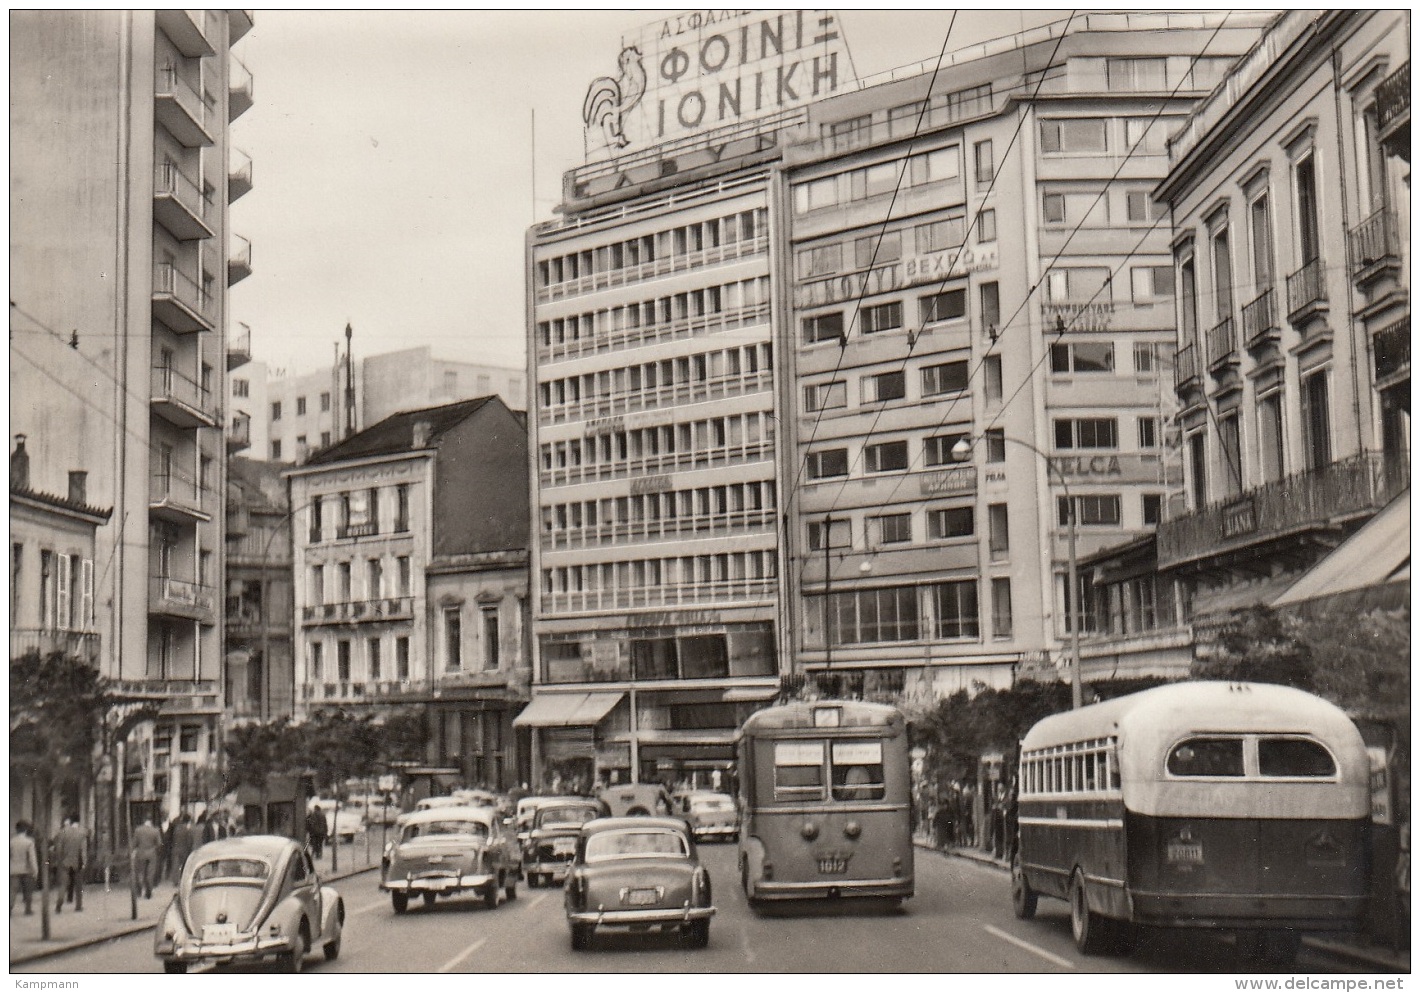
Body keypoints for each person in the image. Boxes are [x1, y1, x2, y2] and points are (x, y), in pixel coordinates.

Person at [53, 814, 87, 913]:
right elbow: (83, 849)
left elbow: (58, 849)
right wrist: (84, 862)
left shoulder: (62, 832)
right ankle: (78, 906)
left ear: (70, 821)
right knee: (79, 885)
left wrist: (59, 860)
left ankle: (59, 905)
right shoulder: (82, 833)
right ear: (79, 821)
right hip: (78, 862)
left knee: (63, 884)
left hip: (64, 861)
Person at [10, 821, 38, 916]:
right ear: (26, 830)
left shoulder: (11, 841)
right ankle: (28, 909)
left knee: (12, 890)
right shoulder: (29, 842)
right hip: (27, 869)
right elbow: (32, 858)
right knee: (28, 890)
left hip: (13, 869)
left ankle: (9, 908)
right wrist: (35, 870)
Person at [131, 816, 163, 899]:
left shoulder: (138, 830)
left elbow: (134, 843)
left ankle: (139, 891)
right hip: (152, 854)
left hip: (140, 854)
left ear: (144, 821)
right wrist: (155, 849)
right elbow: (159, 844)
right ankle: (148, 892)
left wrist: (133, 851)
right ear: (151, 821)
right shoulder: (155, 830)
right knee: (150, 873)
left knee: (140, 873)